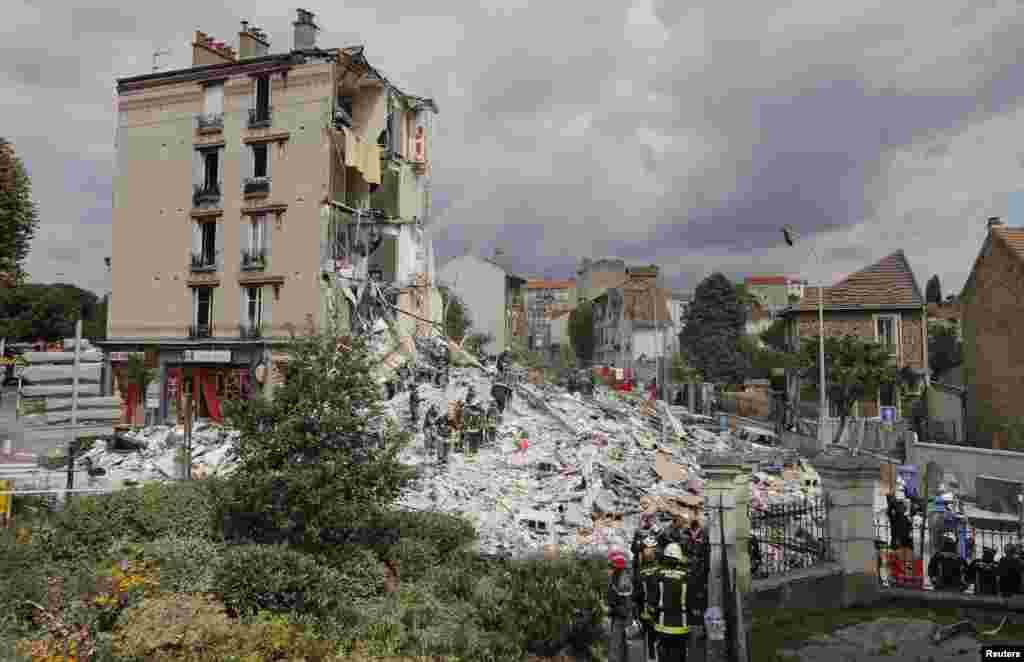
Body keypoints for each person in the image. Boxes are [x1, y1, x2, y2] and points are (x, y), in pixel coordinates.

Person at [651, 542, 690, 662]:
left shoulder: (658, 574)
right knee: (680, 654)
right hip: (682, 625)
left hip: (663, 625)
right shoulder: (686, 575)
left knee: (664, 655)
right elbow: (692, 599)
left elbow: (653, 600)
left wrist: (652, 613)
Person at [635, 536, 662, 662]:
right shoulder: (642, 570)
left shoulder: (657, 568)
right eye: (646, 549)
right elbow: (637, 595)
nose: (648, 552)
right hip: (650, 612)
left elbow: (637, 595)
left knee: (654, 642)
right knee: (652, 642)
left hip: (656, 611)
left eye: (650, 549)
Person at [606, 548, 634, 662]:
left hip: (622, 617)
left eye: (611, 565)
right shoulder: (618, 576)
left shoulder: (623, 580)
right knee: (622, 646)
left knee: (617, 646)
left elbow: (625, 603)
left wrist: (612, 609)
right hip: (621, 615)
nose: (609, 568)